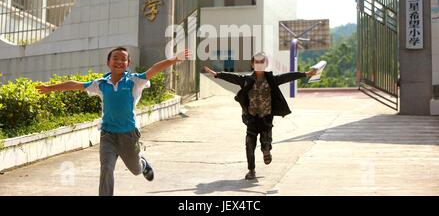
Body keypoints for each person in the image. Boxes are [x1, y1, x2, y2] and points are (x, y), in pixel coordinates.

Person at [36, 47, 191, 196]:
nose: (119, 61)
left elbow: (154, 69)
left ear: (128, 64)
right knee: (106, 169)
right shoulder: (101, 84)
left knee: (135, 170)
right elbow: (74, 84)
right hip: (108, 136)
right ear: (108, 62)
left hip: (129, 135)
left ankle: (142, 163)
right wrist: (50, 88)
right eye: (115, 58)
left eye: (123, 59)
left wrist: (174, 59)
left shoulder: (134, 81)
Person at [204, 52, 317, 180]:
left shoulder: (271, 79)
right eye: (256, 62)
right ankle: (251, 170)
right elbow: (233, 77)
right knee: (249, 144)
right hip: (251, 118)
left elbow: (287, 77)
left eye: (261, 62)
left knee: (266, 142)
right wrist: (218, 75)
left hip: (266, 117)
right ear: (252, 64)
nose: (259, 64)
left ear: (266, 64)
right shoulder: (246, 80)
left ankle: (266, 151)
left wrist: (305, 74)